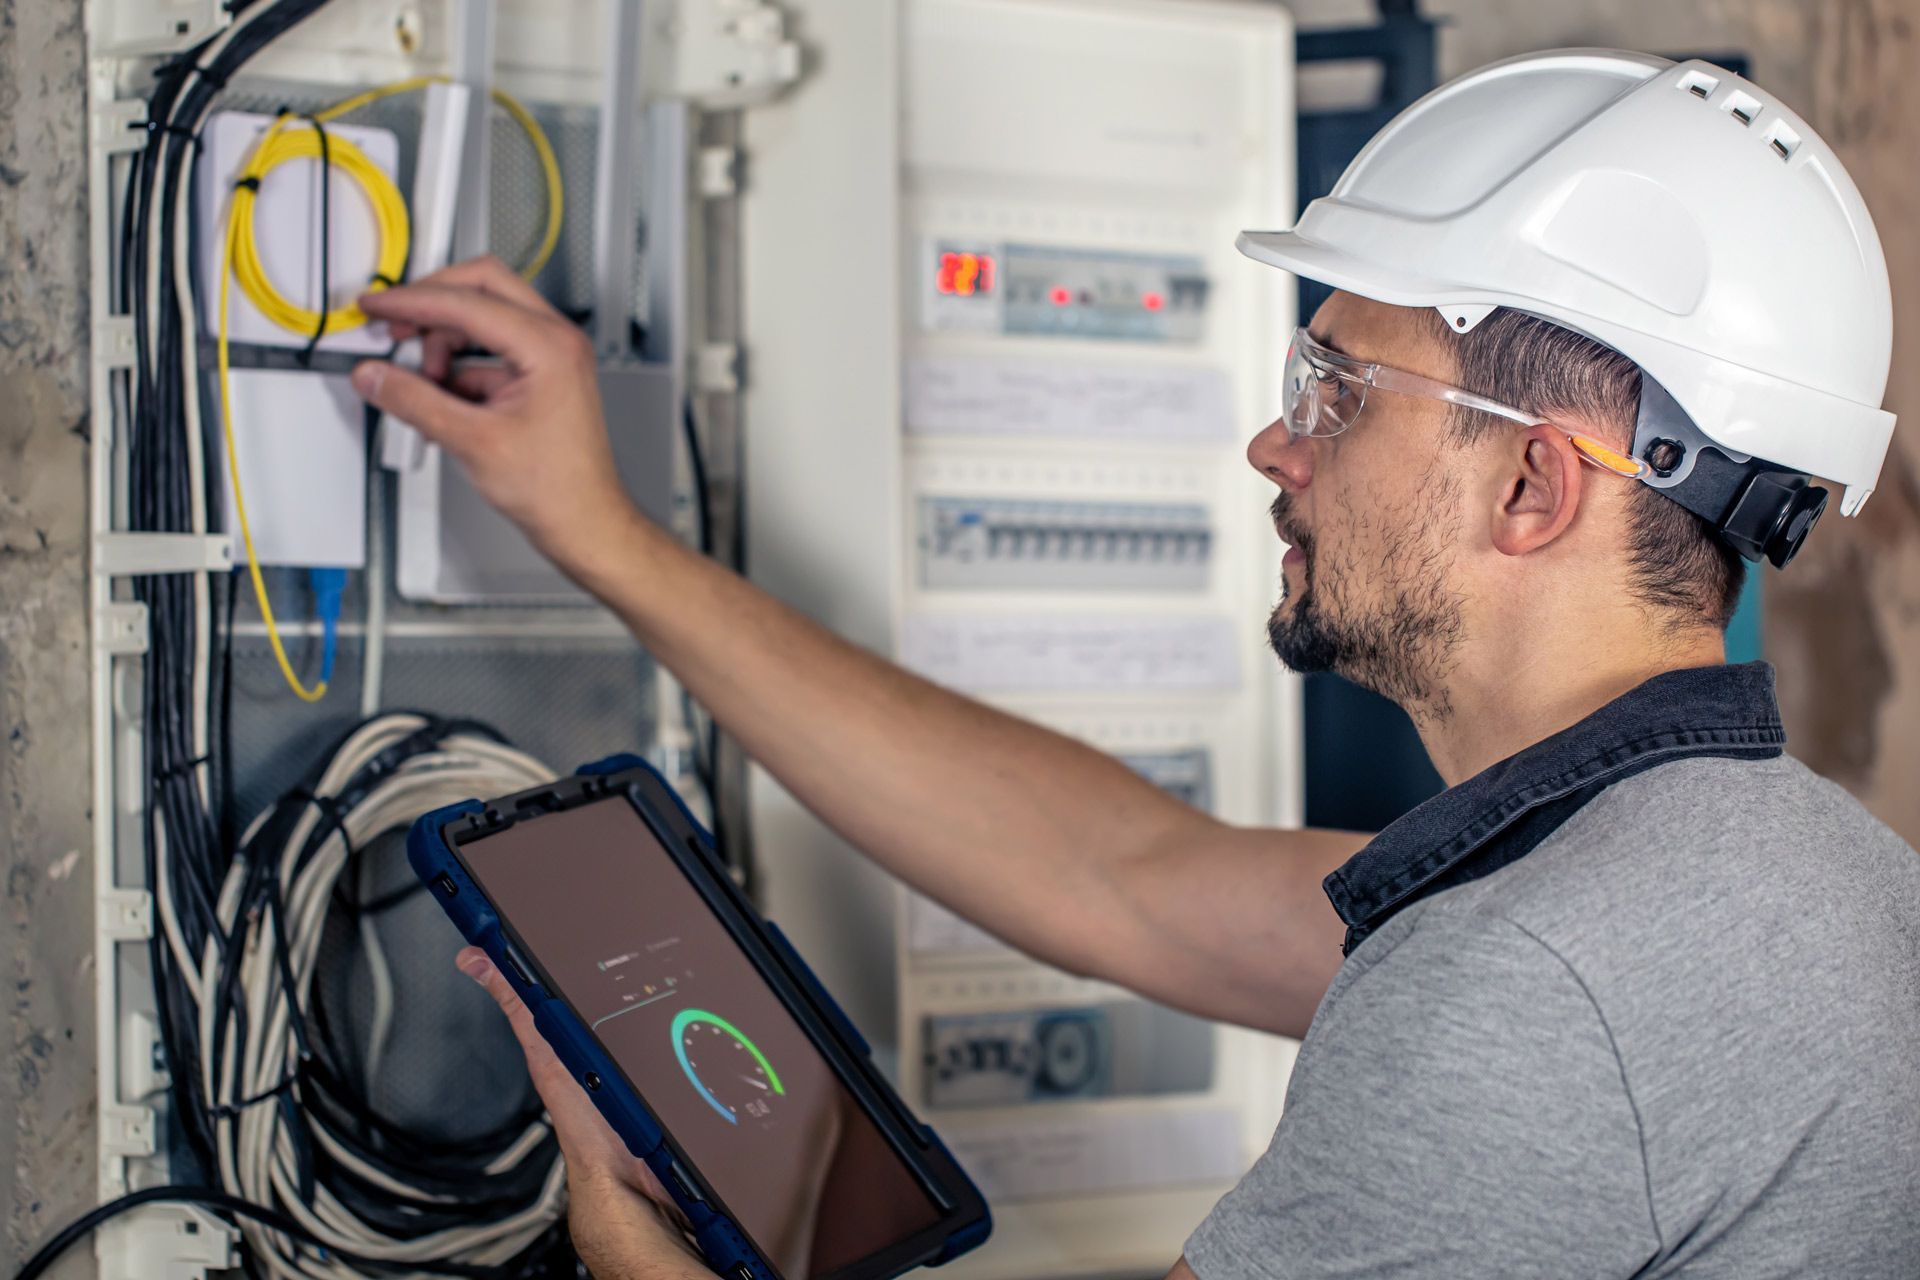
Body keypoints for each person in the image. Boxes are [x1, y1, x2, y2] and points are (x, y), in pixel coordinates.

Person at [350, 50, 1920, 1280]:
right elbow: (1116, 875)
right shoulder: (1791, 875)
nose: (1274, 443)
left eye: (1337, 391)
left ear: (1533, 489)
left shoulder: (1533, 986)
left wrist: (632, 1256)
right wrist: (603, 533)